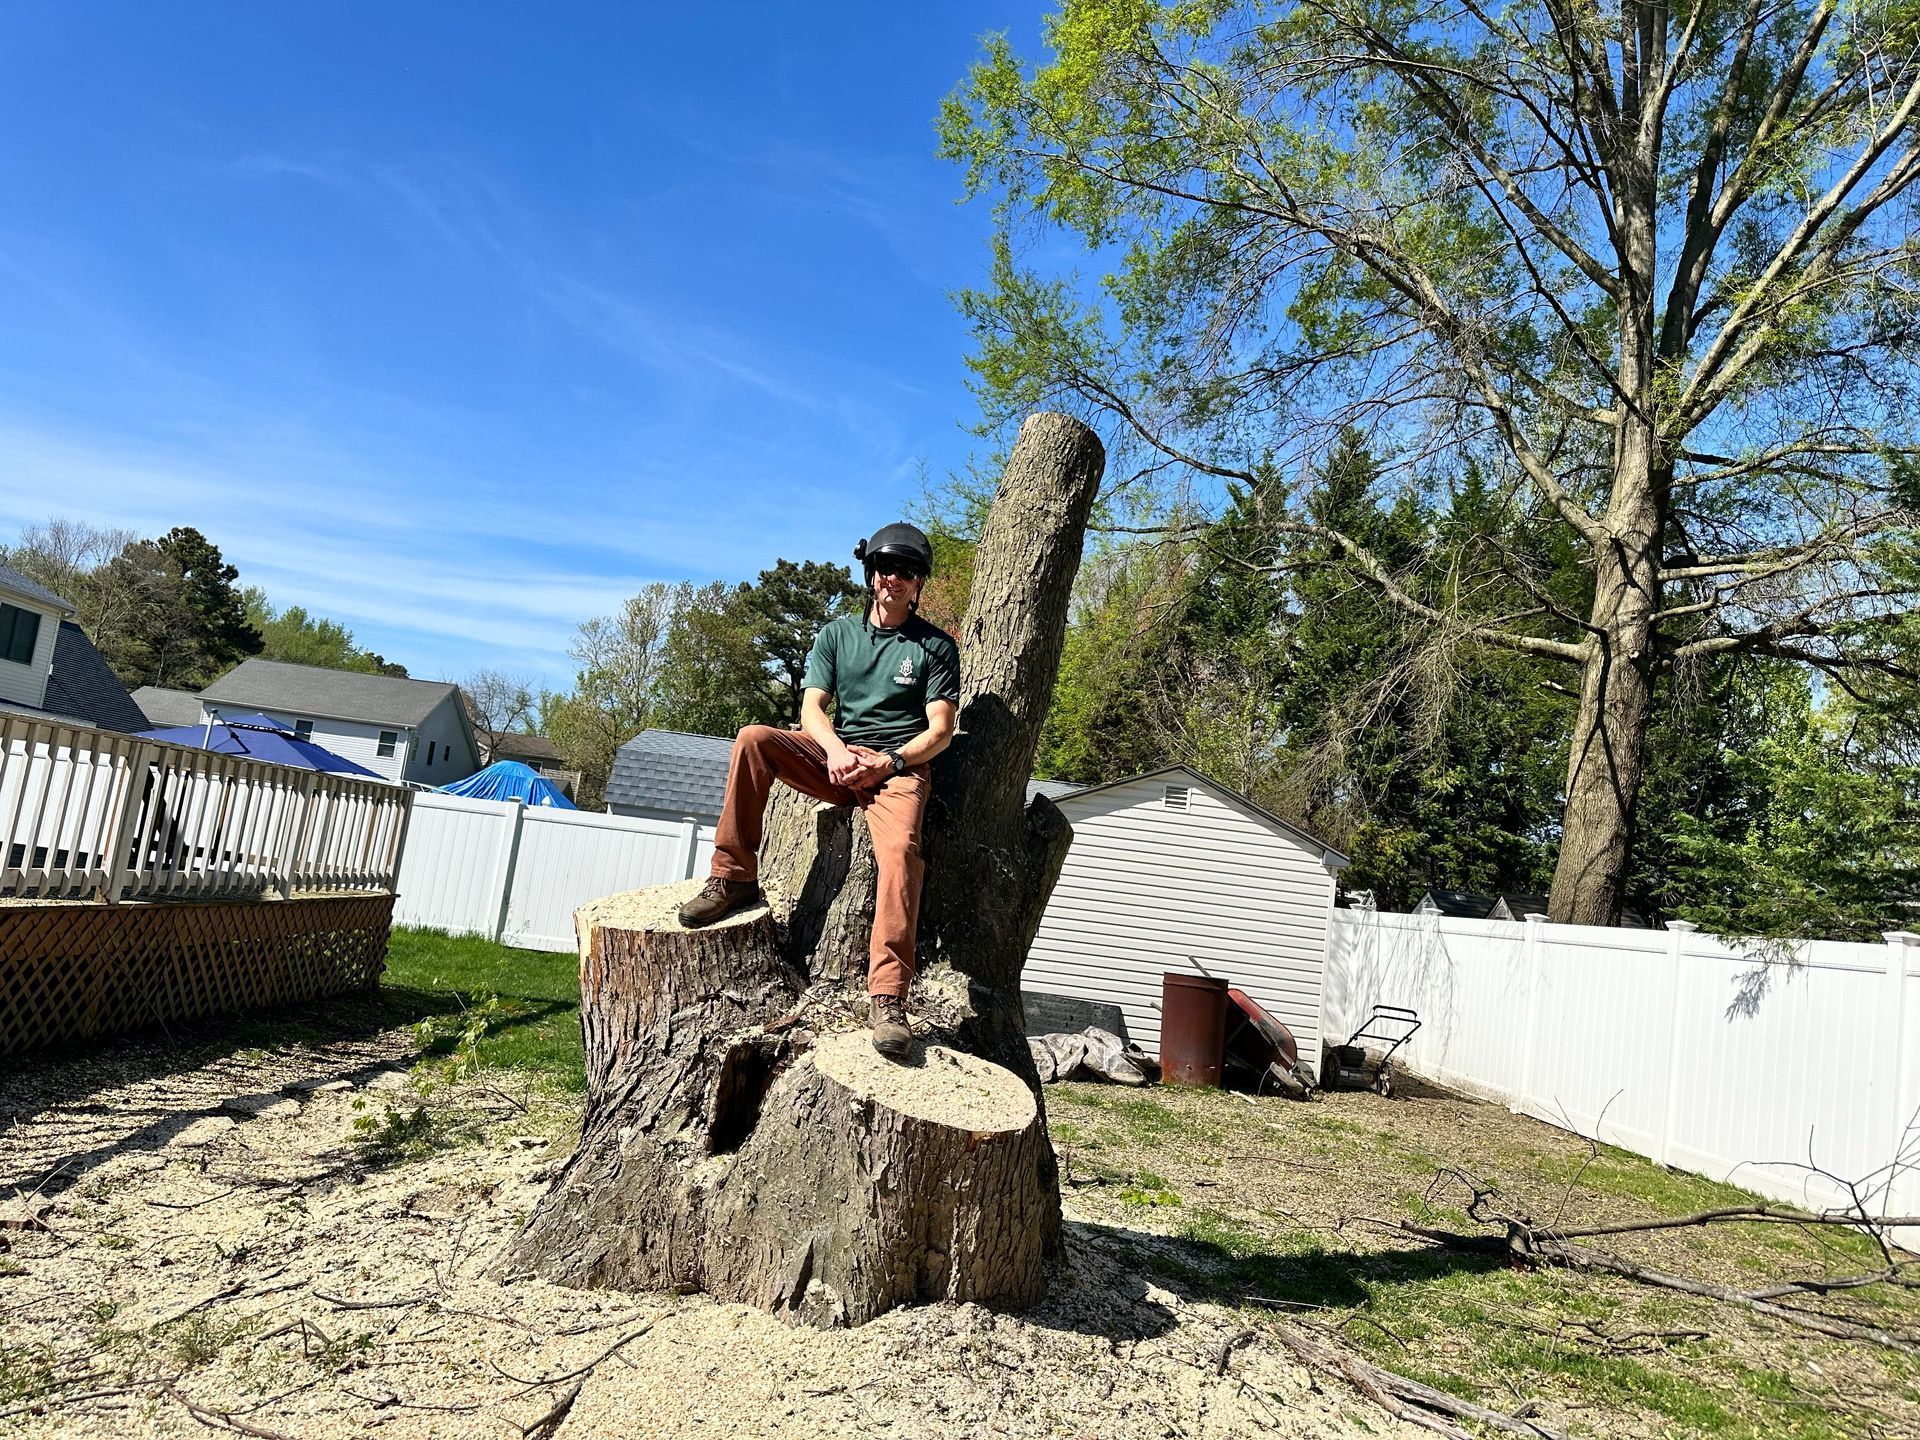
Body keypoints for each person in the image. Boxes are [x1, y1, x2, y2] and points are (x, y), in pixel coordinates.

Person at [677, 522, 960, 1058]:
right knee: (754, 740)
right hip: (836, 757)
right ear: (870, 574)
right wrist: (833, 751)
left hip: (896, 769)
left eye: (905, 571)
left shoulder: (935, 647)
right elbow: (811, 709)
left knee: (901, 853)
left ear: (917, 582)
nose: (892, 580)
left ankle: (888, 997)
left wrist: (891, 760)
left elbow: (940, 730)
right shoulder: (836, 635)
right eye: (884, 569)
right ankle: (732, 877)